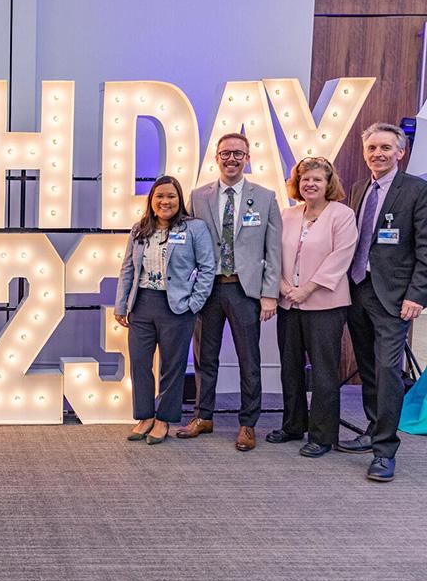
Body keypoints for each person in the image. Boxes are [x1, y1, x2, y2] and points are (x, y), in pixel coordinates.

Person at [177, 132, 282, 452]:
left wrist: (270, 293)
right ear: (217, 157)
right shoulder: (198, 196)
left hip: (244, 290)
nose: (232, 159)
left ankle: (248, 423)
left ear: (247, 158)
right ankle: (202, 416)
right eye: (226, 153)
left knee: (249, 359)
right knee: (204, 357)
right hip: (207, 290)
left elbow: (273, 249)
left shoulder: (265, 197)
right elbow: (186, 242)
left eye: (238, 153)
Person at [339, 123, 427, 482]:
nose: (378, 154)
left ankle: (385, 451)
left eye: (386, 148)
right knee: (369, 368)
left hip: (395, 297)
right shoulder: (361, 188)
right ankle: (374, 430)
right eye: (372, 148)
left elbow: (425, 248)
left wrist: (417, 295)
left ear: (400, 152)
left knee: (389, 370)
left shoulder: (417, 190)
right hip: (357, 290)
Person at [115, 176, 215, 444]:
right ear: (151, 200)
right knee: (139, 363)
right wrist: (121, 305)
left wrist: (194, 303)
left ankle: (164, 420)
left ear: (179, 199)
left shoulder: (194, 228)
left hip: (177, 308)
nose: (165, 201)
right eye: (159, 196)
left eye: (171, 196)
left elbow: (207, 268)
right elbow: (128, 269)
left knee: (172, 366)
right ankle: (145, 415)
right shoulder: (140, 229)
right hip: (142, 305)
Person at [269, 157, 357, 457]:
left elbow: (340, 258)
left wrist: (306, 289)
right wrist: (282, 287)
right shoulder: (288, 214)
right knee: (290, 366)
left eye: (317, 180)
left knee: (323, 371)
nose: (310, 184)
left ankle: (322, 436)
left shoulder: (342, 215)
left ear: (328, 183)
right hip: (288, 302)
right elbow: (273, 253)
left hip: (325, 304)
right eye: (305, 179)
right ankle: (293, 425)